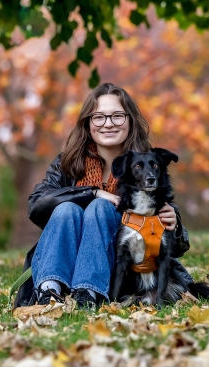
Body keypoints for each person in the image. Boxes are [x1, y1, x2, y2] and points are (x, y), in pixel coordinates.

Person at [13, 83, 195, 309]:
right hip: (62, 259)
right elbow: (37, 205)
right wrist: (93, 193)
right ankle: (49, 292)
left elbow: (172, 248)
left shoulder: (146, 165)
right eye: (98, 117)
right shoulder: (68, 163)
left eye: (117, 116)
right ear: (88, 123)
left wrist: (174, 226)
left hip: (116, 274)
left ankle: (88, 294)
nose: (108, 124)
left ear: (129, 120)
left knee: (100, 208)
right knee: (67, 208)